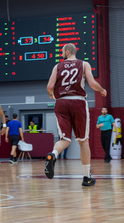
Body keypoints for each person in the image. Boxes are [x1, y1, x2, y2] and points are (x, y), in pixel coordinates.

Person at [45, 43, 107, 187]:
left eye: (62, 52)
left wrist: (51, 95)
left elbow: (49, 86)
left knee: (65, 139)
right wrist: (101, 89)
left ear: (67, 52)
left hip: (61, 103)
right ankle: (87, 177)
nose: (61, 54)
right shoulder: (84, 64)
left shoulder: (57, 66)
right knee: (83, 141)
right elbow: (91, 83)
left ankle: (53, 154)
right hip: (78, 102)